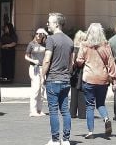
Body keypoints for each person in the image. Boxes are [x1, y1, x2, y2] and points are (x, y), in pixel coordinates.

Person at [76, 23, 116, 139]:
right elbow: (111, 63)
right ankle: (106, 119)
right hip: (103, 79)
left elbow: (79, 61)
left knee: (89, 106)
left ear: (89, 32)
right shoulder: (106, 45)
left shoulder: (84, 45)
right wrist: (113, 79)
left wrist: (81, 62)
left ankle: (90, 132)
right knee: (101, 103)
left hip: (89, 78)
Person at [40, 12, 74, 145]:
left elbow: (47, 60)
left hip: (53, 78)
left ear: (56, 24)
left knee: (53, 110)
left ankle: (55, 139)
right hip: (65, 79)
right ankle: (66, 139)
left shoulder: (51, 39)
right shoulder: (69, 40)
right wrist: (67, 74)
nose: (47, 24)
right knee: (65, 110)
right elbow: (71, 62)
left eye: (49, 22)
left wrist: (42, 75)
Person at [25, 28, 47, 116]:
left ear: (43, 35)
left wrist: (46, 34)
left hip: (43, 68)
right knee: (36, 88)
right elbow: (26, 56)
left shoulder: (45, 44)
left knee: (42, 89)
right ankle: (32, 111)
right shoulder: (31, 44)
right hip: (34, 68)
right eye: (37, 33)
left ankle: (39, 109)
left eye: (40, 34)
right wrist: (33, 61)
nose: (38, 35)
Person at [69, 30, 87, 120]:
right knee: (82, 92)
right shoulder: (84, 49)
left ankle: (72, 113)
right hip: (83, 72)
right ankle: (82, 113)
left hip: (74, 72)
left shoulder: (73, 49)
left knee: (73, 92)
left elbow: (71, 61)